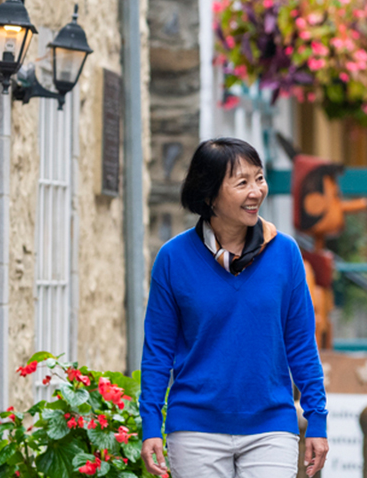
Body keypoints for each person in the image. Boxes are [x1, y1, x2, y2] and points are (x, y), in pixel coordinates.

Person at [140, 138, 329, 478]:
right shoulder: (173, 259)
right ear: (209, 194)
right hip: (195, 428)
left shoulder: (285, 253)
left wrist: (317, 418)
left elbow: (301, 343)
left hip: (271, 427)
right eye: (242, 183)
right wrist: (151, 424)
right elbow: (158, 351)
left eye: (259, 178)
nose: (256, 191)